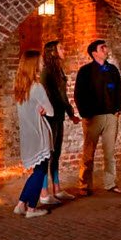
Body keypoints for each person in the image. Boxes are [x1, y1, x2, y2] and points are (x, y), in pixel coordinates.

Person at [73, 39, 121, 196]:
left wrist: (118, 109)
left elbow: (118, 91)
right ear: (94, 53)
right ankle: (84, 185)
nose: (106, 49)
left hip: (111, 117)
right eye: (102, 48)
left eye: (105, 47)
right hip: (93, 118)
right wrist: (85, 114)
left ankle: (110, 183)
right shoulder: (85, 71)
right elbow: (78, 94)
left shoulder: (112, 70)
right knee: (89, 153)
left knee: (110, 153)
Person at [12, 50, 54, 219]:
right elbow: (51, 111)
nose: (43, 64)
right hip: (38, 134)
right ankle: (31, 209)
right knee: (40, 171)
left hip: (28, 134)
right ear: (34, 64)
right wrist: (44, 109)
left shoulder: (20, 87)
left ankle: (21, 204)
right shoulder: (37, 87)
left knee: (37, 170)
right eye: (41, 61)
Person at [39, 41, 81, 205]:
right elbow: (49, 96)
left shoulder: (58, 70)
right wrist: (70, 113)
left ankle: (57, 189)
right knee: (47, 154)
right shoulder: (47, 72)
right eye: (61, 48)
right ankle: (44, 192)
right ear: (52, 52)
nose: (65, 50)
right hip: (50, 117)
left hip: (58, 116)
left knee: (55, 153)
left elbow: (62, 95)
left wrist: (69, 114)